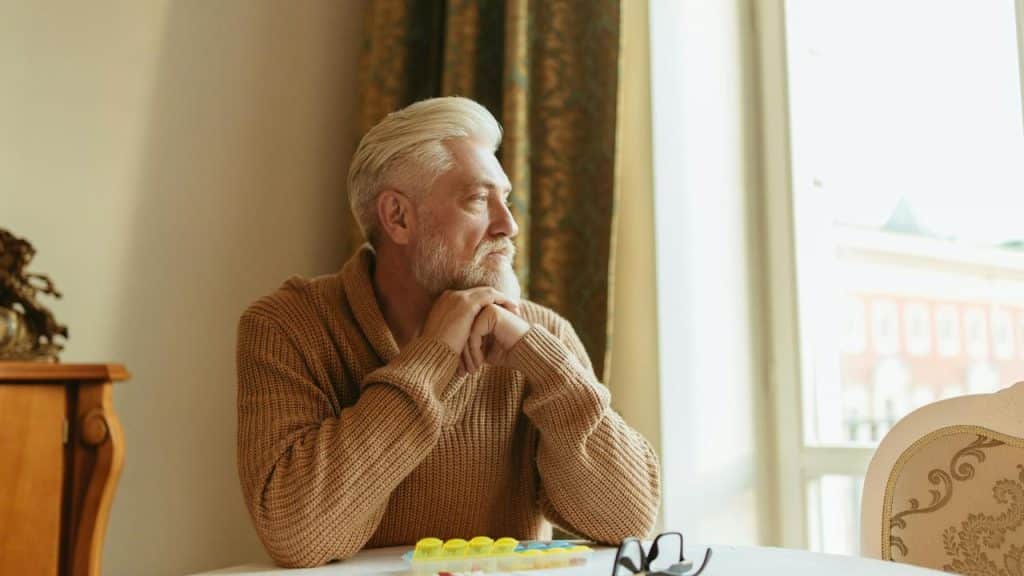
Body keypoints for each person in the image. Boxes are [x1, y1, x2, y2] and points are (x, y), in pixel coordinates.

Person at [236, 97, 660, 568]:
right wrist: (430, 357)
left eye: (507, 200)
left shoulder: (540, 336)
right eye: (479, 200)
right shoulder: (287, 327)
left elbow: (629, 521)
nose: (510, 225)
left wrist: (544, 361)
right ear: (398, 217)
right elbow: (297, 535)